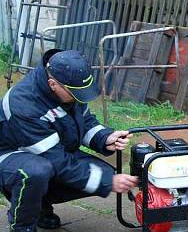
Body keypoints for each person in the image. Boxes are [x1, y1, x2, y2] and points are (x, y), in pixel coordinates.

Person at [0, 49, 138, 231]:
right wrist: (108, 182)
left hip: (46, 152)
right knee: (36, 172)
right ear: (53, 84)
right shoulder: (24, 105)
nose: (79, 99)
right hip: (8, 154)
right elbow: (57, 163)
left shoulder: (70, 84)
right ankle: (22, 225)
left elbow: (85, 121)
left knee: (102, 171)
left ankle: (39, 206)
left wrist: (104, 138)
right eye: (75, 94)